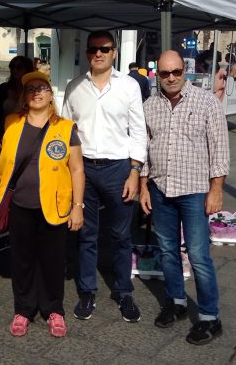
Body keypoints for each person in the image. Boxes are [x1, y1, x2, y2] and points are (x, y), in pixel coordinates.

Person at [139, 50, 228, 346]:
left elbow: (219, 150)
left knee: (199, 255)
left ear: (185, 71)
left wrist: (216, 189)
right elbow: (145, 150)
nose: (171, 78)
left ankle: (209, 317)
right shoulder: (150, 105)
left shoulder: (206, 102)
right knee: (166, 250)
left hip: (194, 190)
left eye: (176, 71)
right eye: (165, 74)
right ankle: (176, 302)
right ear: (157, 75)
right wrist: (143, 187)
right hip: (161, 189)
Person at [62, 30, 147, 323]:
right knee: (85, 234)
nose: (98, 53)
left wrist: (135, 171)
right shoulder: (75, 87)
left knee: (121, 234)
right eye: (93, 49)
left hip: (118, 168)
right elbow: (66, 134)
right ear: (87, 53)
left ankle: (124, 291)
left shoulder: (128, 87)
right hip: (84, 167)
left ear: (114, 53)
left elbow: (138, 131)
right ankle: (87, 291)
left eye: (105, 48)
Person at [0, 71, 85, 338]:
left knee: (52, 260)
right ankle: (23, 310)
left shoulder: (65, 126)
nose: (37, 92)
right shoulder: (11, 122)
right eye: (31, 88)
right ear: (24, 96)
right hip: (20, 205)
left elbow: (77, 169)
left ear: (50, 95)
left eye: (42, 88)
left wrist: (77, 206)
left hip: (55, 206)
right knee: (21, 261)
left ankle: (53, 309)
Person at [0, 55, 35, 123]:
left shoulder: (34, 90)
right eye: (12, 67)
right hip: (5, 129)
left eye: (19, 67)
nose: (14, 70)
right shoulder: (4, 88)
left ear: (27, 69)